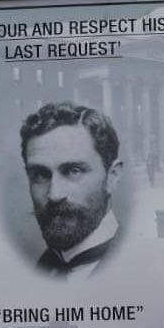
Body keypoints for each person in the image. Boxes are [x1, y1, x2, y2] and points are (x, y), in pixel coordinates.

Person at [20, 100, 124, 279]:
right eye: (40, 175)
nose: (54, 195)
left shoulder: (141, 262)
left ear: (112, 177)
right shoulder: (42, 266)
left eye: (73, 171)